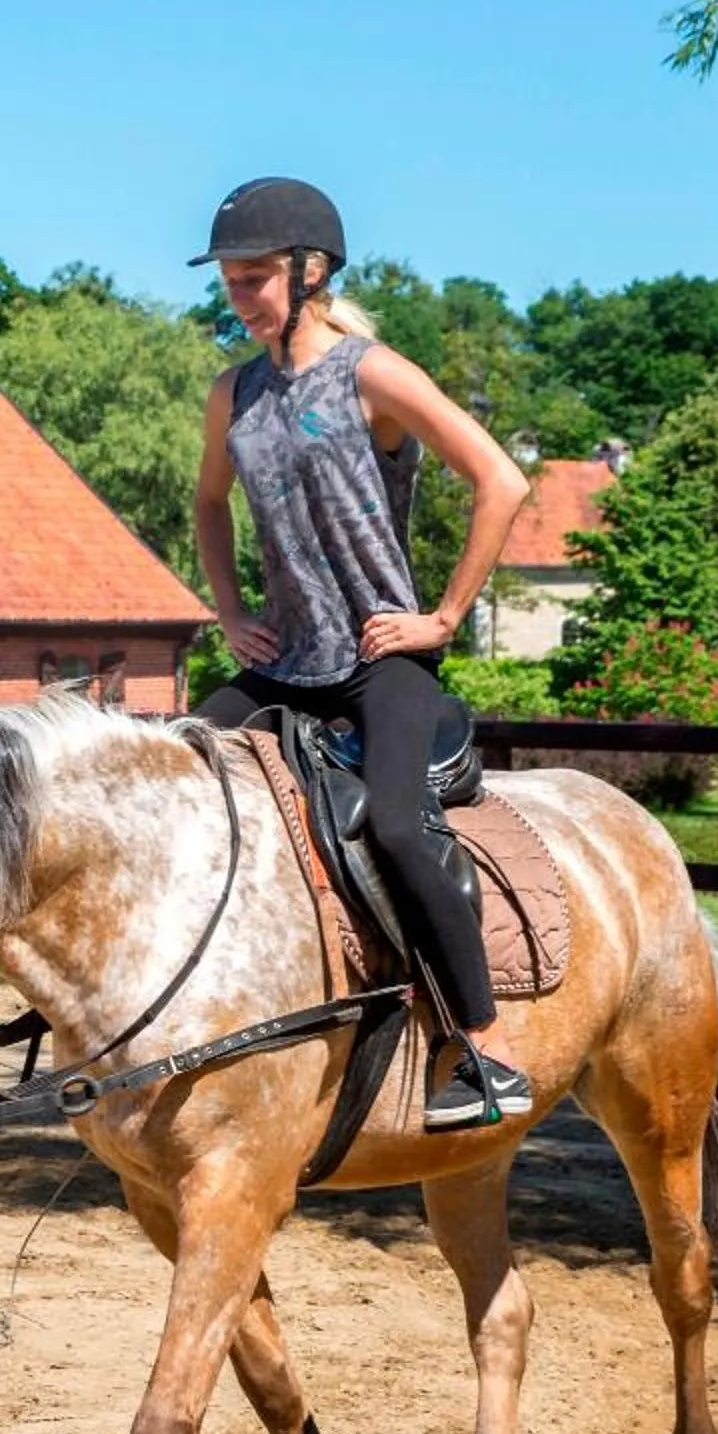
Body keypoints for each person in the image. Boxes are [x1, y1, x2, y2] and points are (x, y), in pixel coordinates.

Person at [184, 177, 534, 1130]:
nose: (239, 296)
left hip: (384, 659)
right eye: (229, 279)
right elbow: (209, 504)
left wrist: (443, 618)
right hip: (284, 657)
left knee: (392, 824)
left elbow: (500, 479)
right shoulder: (237, 392)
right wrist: (229, 613)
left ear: (311, 272)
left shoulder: (371, 374)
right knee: (176, 767)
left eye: (255, 277)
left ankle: (485, 1051)